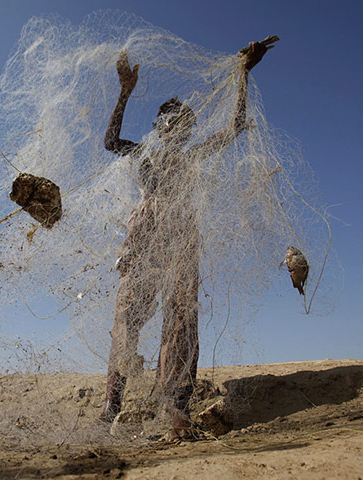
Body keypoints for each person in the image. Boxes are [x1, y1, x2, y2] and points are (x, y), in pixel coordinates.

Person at [101, 41, 272, 438]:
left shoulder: (193, 156)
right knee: (128, 314)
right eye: (167, 119)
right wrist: (124, 92)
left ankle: (175, 406)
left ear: (189, 129)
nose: (176, 125)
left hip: (181, 235)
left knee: (181, 316)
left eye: (183, 121)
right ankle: (111, 405)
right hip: (143, 236)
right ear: (158, 127)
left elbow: (233, 127)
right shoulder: (143, 153)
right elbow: (111, 142)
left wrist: (244, 73)